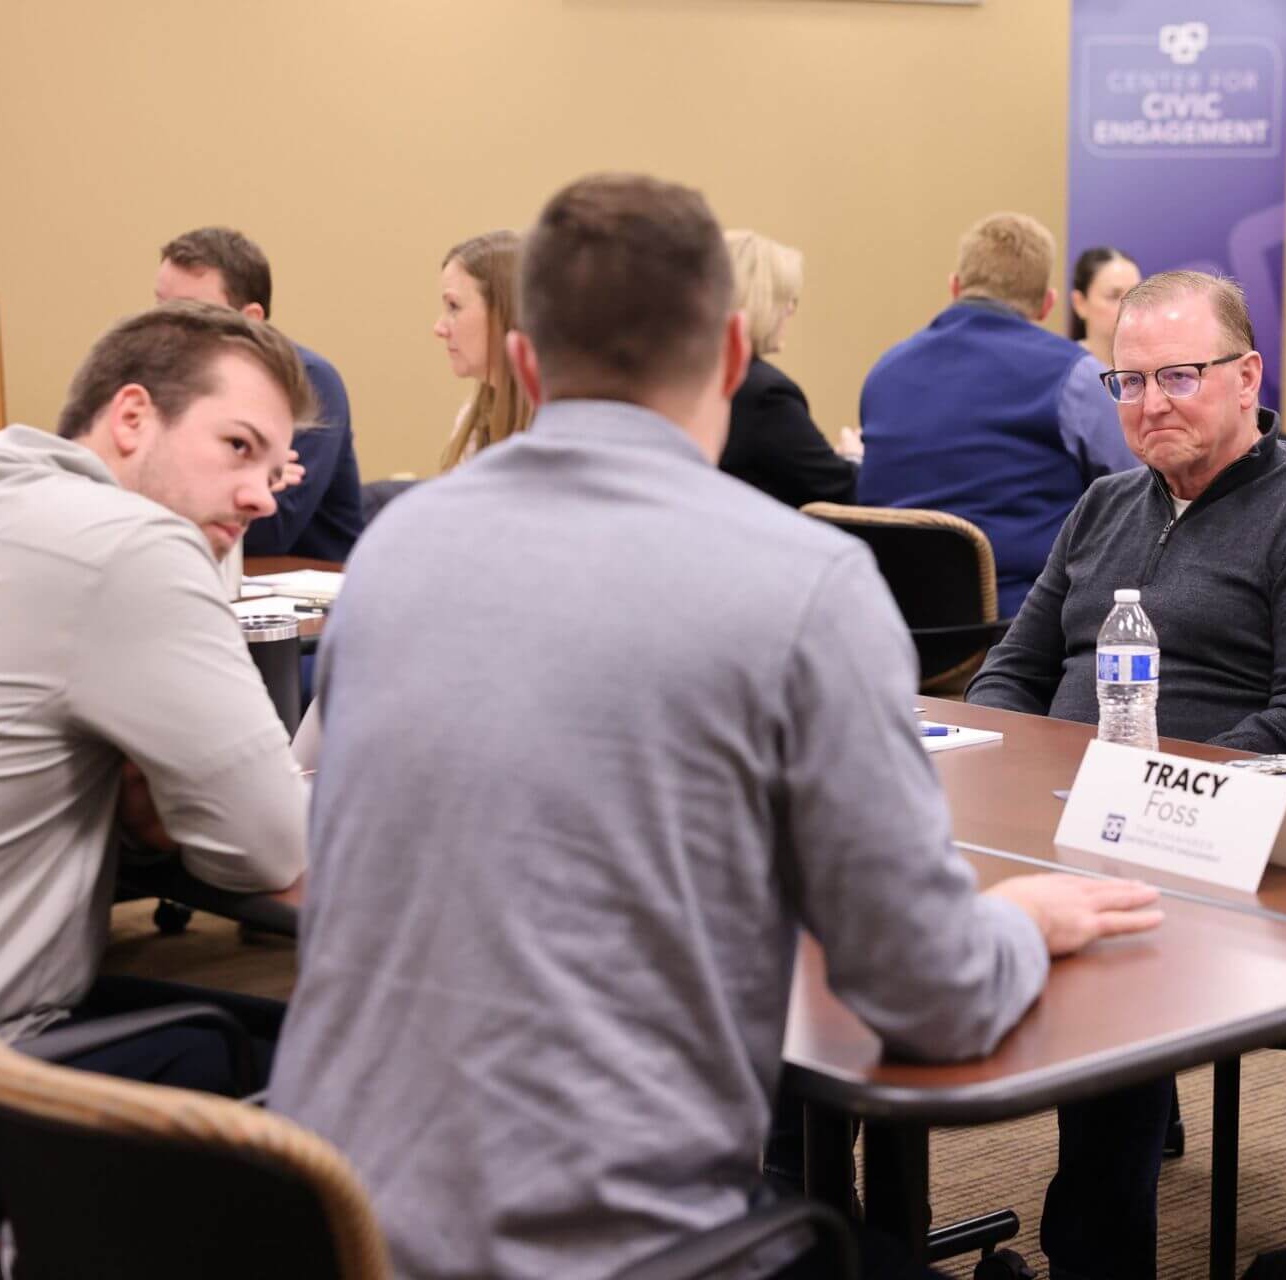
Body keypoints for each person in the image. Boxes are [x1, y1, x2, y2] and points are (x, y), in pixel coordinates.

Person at [266, 173, 1162, 1280]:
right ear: (736, 354)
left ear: (527, 364)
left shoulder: (393, 553)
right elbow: (932, 998)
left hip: (332, 1215)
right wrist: (1019, 922)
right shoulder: (805, 582)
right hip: (615, 1243)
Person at [969, 270, 1286, 1280]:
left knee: (1111, 956)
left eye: (1179, 376)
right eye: (1128, 381)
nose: (1150, 403)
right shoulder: (1106, 503)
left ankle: (1092, 1258)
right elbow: (1013, 668)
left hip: (1216, 844)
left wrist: (1135, 802)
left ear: (1247, 377)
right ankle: (813, 1202)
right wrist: (1007, 776)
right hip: (1064, 813)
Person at [0, 301, 312, 1231]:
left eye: (273, 468)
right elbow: (273, 849)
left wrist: (141, 821)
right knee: (347, 1078)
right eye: (237, 447)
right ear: (130, 417)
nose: (262, 496)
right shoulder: (131, 545)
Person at [857, 212, 1140, 617]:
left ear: (955, 287)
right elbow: (1137, 493)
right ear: (1047, 305)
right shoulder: (1076, 377)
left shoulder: (882, 373)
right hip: (1022, 629)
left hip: (893, 621)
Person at [155, 227, 364, 561]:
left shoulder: (307, 382)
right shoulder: (153, 378)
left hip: (306, 583)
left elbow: (269, 532)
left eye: (189, 314)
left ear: (250, 320)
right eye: (160, 307)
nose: (164, 329)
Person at [718, 229, 858, 507]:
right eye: (786, 297)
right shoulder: (766, 396)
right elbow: (840, 489)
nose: (791, 309)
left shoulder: (692, 377)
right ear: (760, 302)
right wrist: (855, 457)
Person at [435, 229, 534, 470]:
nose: (439, 328)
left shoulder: (567, 427)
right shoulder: (472, 422)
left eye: (454, 306)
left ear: (503, 313)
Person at [1069, 246, 1140, 371]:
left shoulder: (1152, 368)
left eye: (1136, 294)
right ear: (1080, 303)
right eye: (1114, 296)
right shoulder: (1065, 370)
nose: (1129, 305)